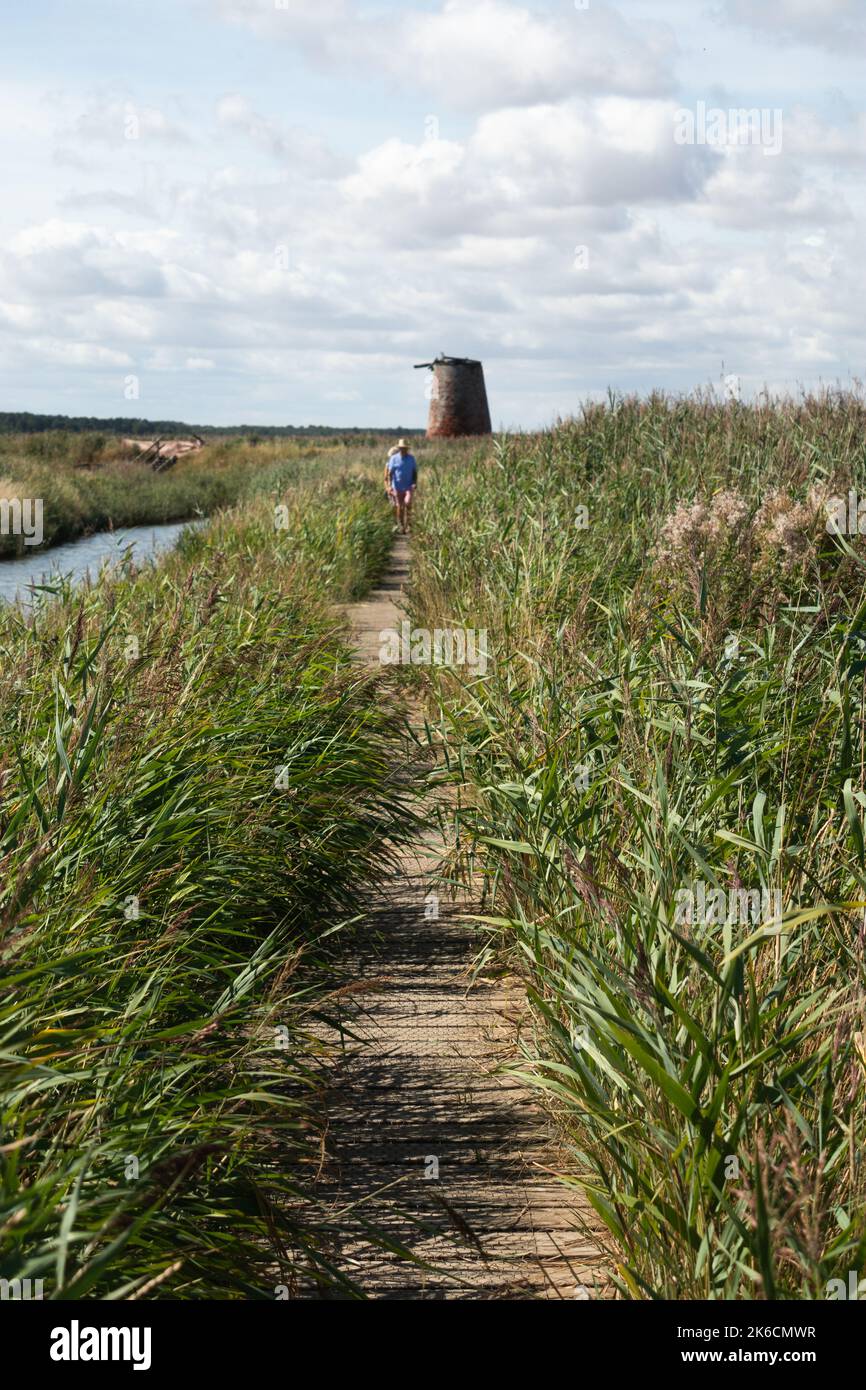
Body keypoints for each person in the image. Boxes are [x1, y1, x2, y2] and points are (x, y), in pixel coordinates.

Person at [385, 438, 417, 535]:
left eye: (405, 448)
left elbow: (415, 472)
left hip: (408, 486)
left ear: (407, 449)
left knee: (408, 503)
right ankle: (401, 526)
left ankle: (409, 524)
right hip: (397, 486)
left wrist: (415, 483)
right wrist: (390, 485)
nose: (404, 450)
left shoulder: (411, 459)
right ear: (399, 448)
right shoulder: (393, 459)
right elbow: (390, 473)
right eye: (402, 448)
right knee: (400, 506)